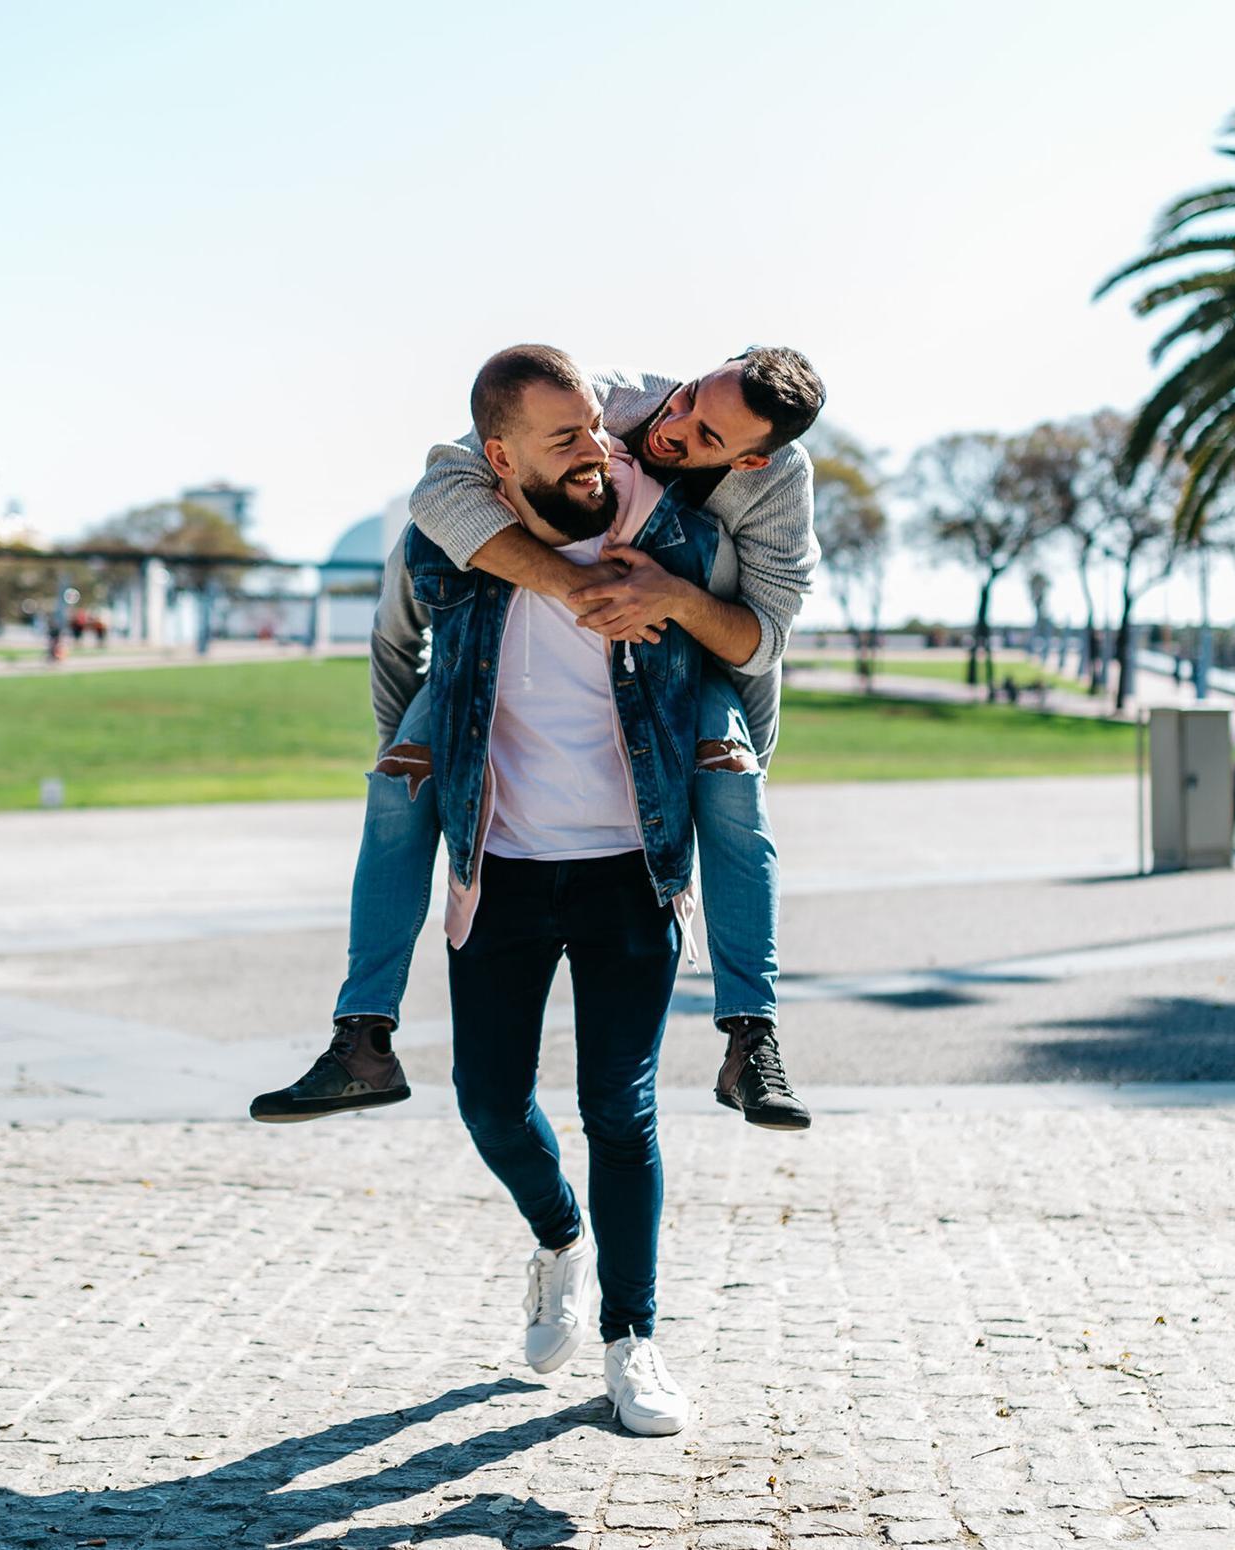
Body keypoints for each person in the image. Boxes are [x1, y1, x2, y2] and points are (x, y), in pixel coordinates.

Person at [251, 347, 825, 1130]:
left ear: (750, 459)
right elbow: (440, 492)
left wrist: (682, 621)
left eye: (706, 436)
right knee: (399, 781)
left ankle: (751, 1040)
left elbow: (761, 644)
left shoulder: (772, 489)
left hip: (691, 660)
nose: (676, 425)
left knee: (732, 780)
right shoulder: (606, 400)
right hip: (501, 660)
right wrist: (423, 750)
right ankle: (362, 1042)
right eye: (691, 396)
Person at [355, 347, 713, 1432]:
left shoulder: (661, 537)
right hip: (499, 871)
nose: (595, 449)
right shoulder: (449, 546)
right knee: (488, 1101)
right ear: (499, 458)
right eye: (564, 438)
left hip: (630, 872)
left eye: (593, 426)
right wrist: (419, 764)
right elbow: (394, 652)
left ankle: (632, 1337)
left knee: (621, 1107)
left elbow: (752, 650)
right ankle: (559, 1238)